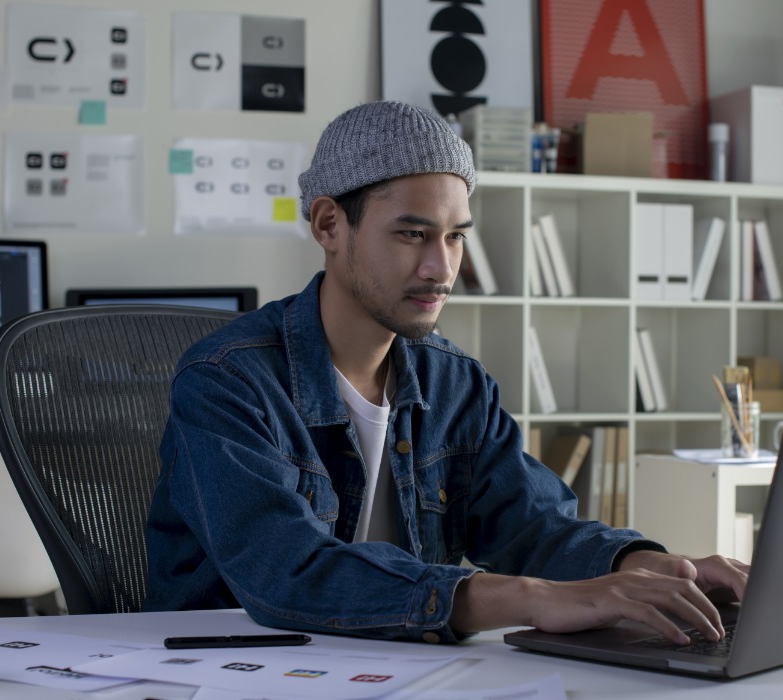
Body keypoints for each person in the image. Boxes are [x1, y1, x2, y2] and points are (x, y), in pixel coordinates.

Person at [145, 100, 748, 645]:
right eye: (413, 234)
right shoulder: (225, 380)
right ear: (329, 225)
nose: (441, 268)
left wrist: (643, 567)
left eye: (457, 237)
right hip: (233, 671)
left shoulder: (455, 383)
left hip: (393, 669)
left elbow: (533, 526)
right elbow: (287, 572)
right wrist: (533, 597)